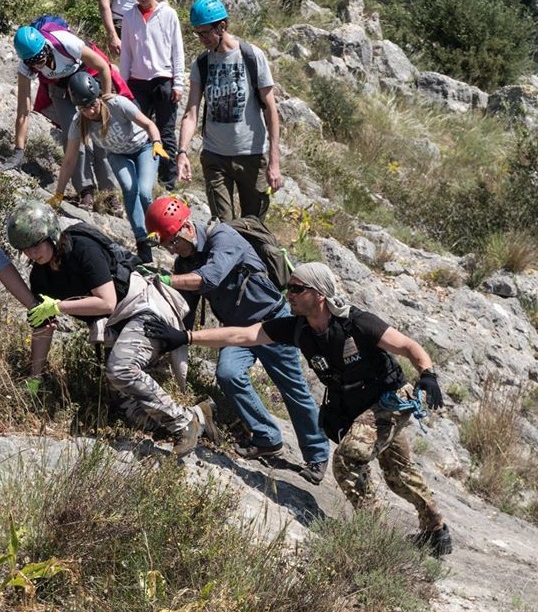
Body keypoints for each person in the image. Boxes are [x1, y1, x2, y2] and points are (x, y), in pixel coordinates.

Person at [144, 261, 454, 557]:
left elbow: (408, 346)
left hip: (388, 400)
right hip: (357, 406)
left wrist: (427, 374)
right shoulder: (297, 328)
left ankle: (374, 535)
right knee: (398, 473)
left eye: (296, 289)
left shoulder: (358, 323)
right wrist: (186, 336)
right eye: (288, 288)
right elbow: (245, 334)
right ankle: (436, 531)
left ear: (319, 294)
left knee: (347, 459)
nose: (288, 295)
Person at [6, 199, 220, 457]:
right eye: (25, 249)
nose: (32, 254)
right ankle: (198, 415)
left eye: (36, 245)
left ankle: (183, 423)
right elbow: (43, 325)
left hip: (143, 308)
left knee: (120, 369)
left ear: (51, 235)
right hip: (118, 325)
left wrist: (59, 307)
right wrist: (35, 379)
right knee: (127, 408)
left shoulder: (82, 248)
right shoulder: (40, 277)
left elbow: (107, 302)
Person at [143, 196, 330, 484]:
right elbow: (187, 307)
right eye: (166, 245)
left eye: (173, 241)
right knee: (228, 373)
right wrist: (177, 339)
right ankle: (267, 435)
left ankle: (317, 456)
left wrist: (164, 280)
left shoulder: (223, 237)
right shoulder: (184, 263)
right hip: (236, 330)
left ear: (188, 228)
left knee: (292, 388)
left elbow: (211, 278)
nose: (171, 249)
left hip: (272, 322)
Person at [177, 0, 282, 222]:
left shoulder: (252, 56)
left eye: (205, 33)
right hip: (215, 157)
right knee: (223, 228)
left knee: (253, 227)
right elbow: (191, 112)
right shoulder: (202, 63)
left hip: (251, 155)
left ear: (222, 27)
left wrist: (274, 161)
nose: (202, 39)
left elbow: (271, 110)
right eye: (197, 34)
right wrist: (182, 151)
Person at [48, 72, 169, 263]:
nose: (90, 111)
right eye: (84, 107)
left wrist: (157, 142)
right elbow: (69, 160)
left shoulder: (117, 104)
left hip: (144, 147)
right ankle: (142, 242)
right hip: (118, 155)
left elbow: (148, 123)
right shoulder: (79, 122)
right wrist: (59, 194)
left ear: (98, 97)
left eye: (93, 104)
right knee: (130, 189)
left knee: (144, 192)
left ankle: (159, 230)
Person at [2, 25, 118, 212]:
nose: (38, 65)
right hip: (59, 89)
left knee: (100, 135)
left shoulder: (65, 42)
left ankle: (109, 193)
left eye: (40, 59)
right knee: (73, 136)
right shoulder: (25, 67)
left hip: (86, 80)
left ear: (45, 48)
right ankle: (85, 190)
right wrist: (18, 150)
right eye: (32, 63)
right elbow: (23, 110)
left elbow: (103, 66)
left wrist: (106, 99)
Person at [120, 0, 184, 191]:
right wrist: (122, 86)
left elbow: (177, 50)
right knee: (137, 131)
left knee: (166, 133)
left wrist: (178, 82)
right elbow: (126, 53)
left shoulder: (168, 14)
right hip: (137, 82)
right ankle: (139, 182)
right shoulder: (129, 16)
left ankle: (167, 185)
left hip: (163, 79)